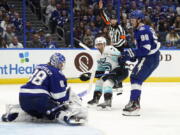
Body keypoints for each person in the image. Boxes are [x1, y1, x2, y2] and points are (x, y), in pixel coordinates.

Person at [1, 53, 87, 125]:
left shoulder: (39, 66)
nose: (61, 66)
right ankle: (67, 117)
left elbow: (43, 82)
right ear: (56, 63)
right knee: (55, 110)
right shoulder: (57, 72)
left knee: (36, 113)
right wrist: (66, 99)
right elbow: (58, 97)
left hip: (23, 98)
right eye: (60, 64)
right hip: (39, 99)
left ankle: (13, 114)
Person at [119, 10, 161, 116]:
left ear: (139, 19)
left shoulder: (143, 30)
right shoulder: (140, 29)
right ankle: (134, 102)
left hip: (150, 58)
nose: (131, 21)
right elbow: (142, 49)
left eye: (133, 19)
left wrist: (130, 54)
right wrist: (133, 55)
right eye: (130, 19)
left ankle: (135, 104)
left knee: (136, 77)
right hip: (149, 57)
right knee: (136, 78)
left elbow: (146, 49)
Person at [80, 37, 128, 110]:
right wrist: (90, 75)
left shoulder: (110, 49)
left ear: (104, 44)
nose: (100, 46)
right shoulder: (98, 56)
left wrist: (121, 60)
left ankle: (107, 102)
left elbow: (122, 57)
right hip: (112, 73)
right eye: (98, 44)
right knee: (99, 82)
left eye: (101, 44)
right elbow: (101, 71)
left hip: (120, 71)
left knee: (107, 83)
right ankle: (95, 100)